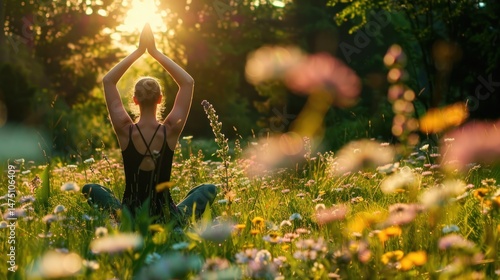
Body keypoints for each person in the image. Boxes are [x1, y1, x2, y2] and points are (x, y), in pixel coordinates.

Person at [82, 24, 217, 225]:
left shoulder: (124, 130)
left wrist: (138, 51)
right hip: (167, 217)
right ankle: (177, 222)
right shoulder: (170, 130)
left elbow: (109, 81)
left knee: (90, 188)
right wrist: (154, 52)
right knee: (209, 189)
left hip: (130, 217)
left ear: (135, 100)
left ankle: (122, 219)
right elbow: (188, 83)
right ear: (160, 99)